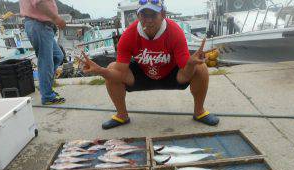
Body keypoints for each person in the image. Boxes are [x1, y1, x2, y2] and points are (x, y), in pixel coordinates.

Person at [80, 0, 219, 130]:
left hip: (171, 73)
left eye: (153, 15)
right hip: (142, 74)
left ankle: (199, 111)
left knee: (200, 68)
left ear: (163, 14)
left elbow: (185, 74)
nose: (149, 20)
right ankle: (122, 115)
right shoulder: (128, 35)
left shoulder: (175, 31)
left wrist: (191, 63)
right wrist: (100, 70)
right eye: (144, 15)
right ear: (137, 15)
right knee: (111, 68)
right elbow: (121, 73)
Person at [19, 0, 67, 105]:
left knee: (57, 56)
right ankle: (48, 96)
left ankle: (46, 89)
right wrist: (57, 19)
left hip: (43, 26)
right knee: (46, 62)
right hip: (40, 25)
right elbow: (39, 3)